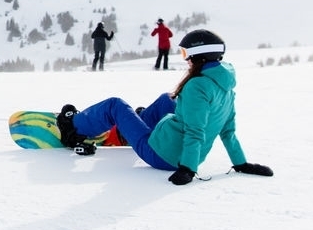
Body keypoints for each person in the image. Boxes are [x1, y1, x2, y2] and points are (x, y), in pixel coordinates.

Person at [56, 29, 273, 185]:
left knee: (116, 105)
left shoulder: (197, 86)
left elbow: (195, 132)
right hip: (175, 146)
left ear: (201, 55)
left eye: (186, 54)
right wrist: (241, 164)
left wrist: (187, 170)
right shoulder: (225, 86)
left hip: (162, 155)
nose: (185, 59)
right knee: (167, 100)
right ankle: (130, 128)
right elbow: (228, 131)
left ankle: (73, 127)